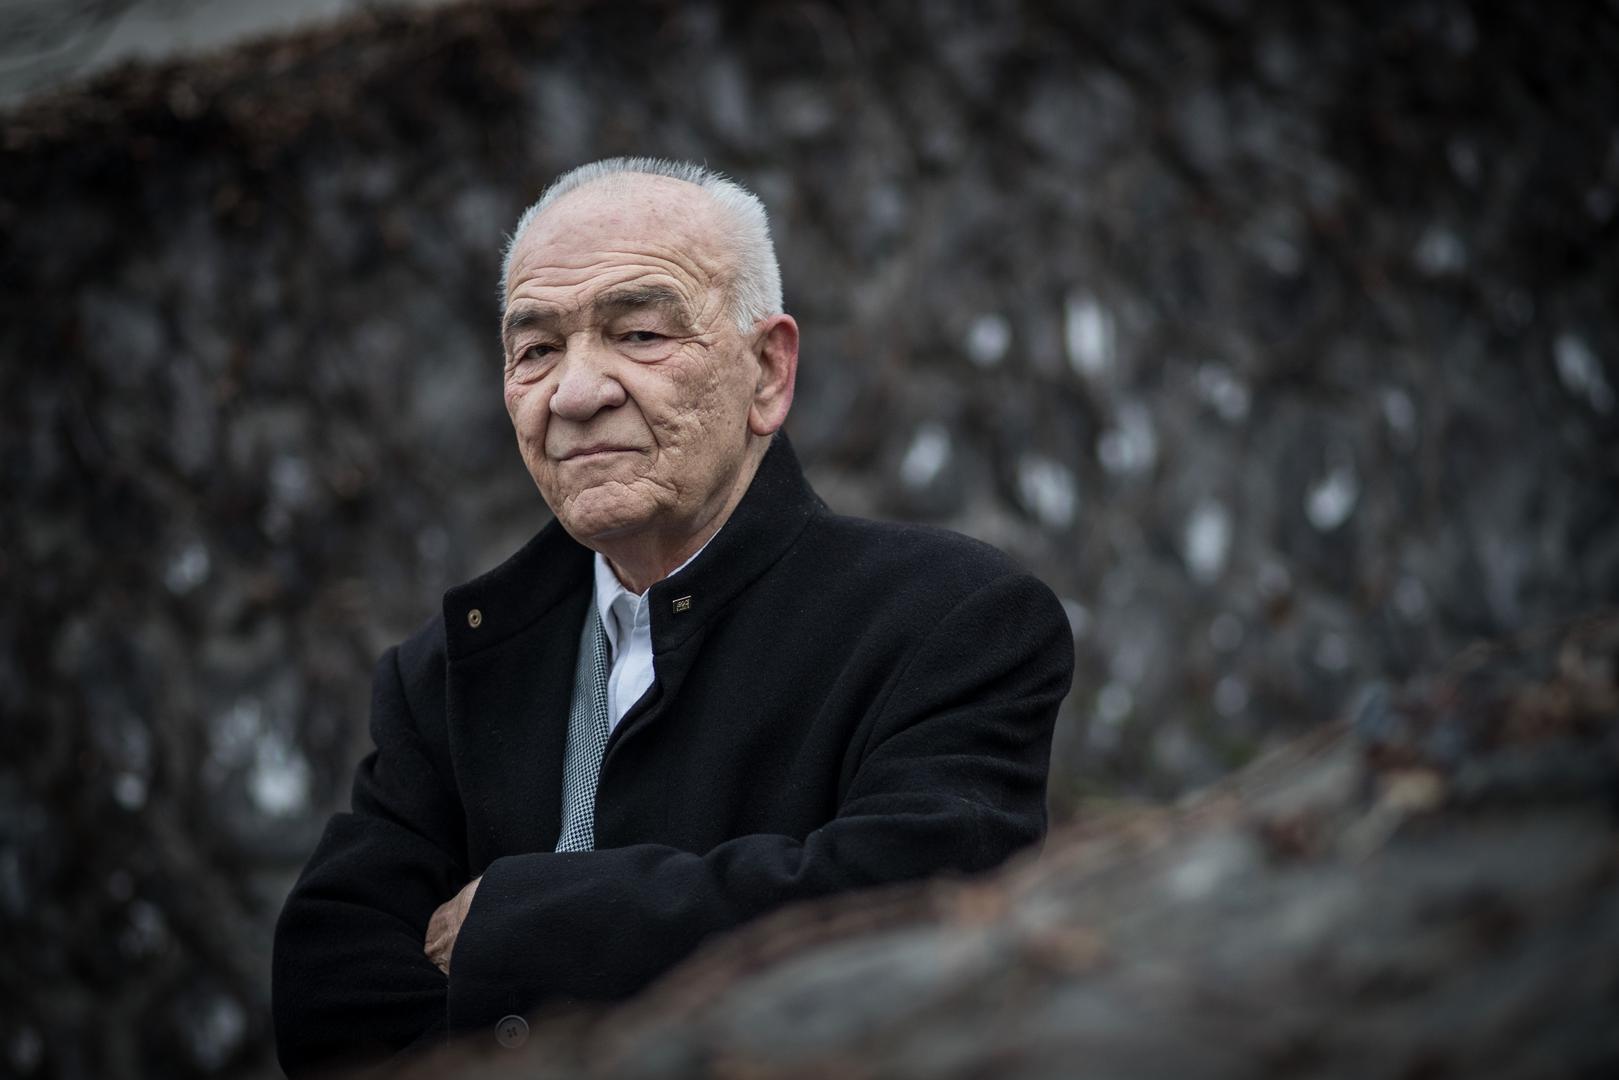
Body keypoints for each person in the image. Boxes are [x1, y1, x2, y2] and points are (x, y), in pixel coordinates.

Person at [271, 157, 1074, 1075]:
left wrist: (516, 923)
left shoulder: (947, 619)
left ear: (768, 372)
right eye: (535, 351)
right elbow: (330, 993)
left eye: (640, 333)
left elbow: (913, 913)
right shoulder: (448, 671)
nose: (575, 393)